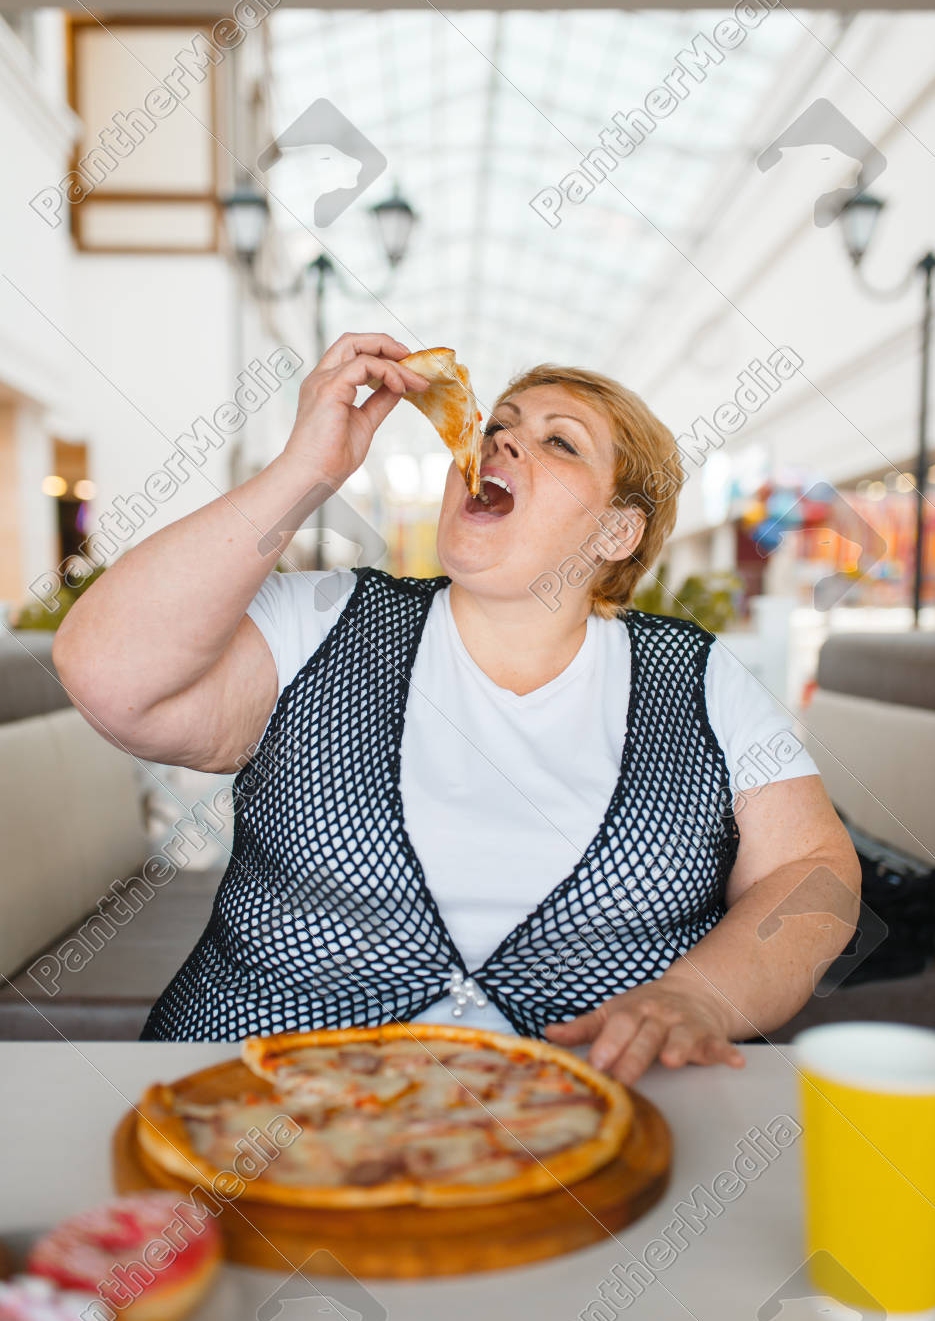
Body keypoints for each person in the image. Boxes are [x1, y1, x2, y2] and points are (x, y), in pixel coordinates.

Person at [52, 333, 860, 1084]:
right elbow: (110, 677)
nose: (501, 441)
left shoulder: (699, 678)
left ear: (617, 532)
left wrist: (700, 999)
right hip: (255, 1113)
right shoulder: (321, 618)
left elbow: (809, 876)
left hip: (591, 1127)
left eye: (559, 441)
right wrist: (305, 470)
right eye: (498, 425)